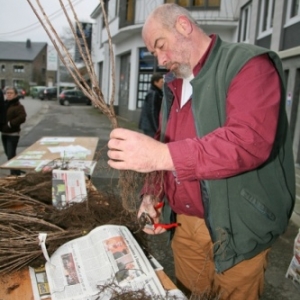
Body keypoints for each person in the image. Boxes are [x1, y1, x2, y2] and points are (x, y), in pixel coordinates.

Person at [107, 3, 295, 300]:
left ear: (183, 26)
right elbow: (163, 142)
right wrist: (151, 195)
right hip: (184, 225)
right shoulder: (174, 85)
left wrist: (161, 156)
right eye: (154, 54)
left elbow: (248, 141)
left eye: (160, 46)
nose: (160, 60)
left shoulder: (247, 64)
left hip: (239, 227)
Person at [1, 87, 26, 175]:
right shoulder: (4, 105)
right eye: (7, 93)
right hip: (4, 133)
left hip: (13, 134)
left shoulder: (18, 106)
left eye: (11, 93)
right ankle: (17, 171)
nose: (9, 94)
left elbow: (22, 117)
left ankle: (14, 174)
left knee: (11, 155)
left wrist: (10, 124)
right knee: (9, 155)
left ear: (15, 95)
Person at [138, 73, 164, 137]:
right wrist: (156, 128)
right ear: (155, 82)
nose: (163, 84)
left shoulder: (157, 92)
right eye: (161, 82)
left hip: (150, 125)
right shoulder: (153, 93)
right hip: (150, 126)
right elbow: (152, 112)